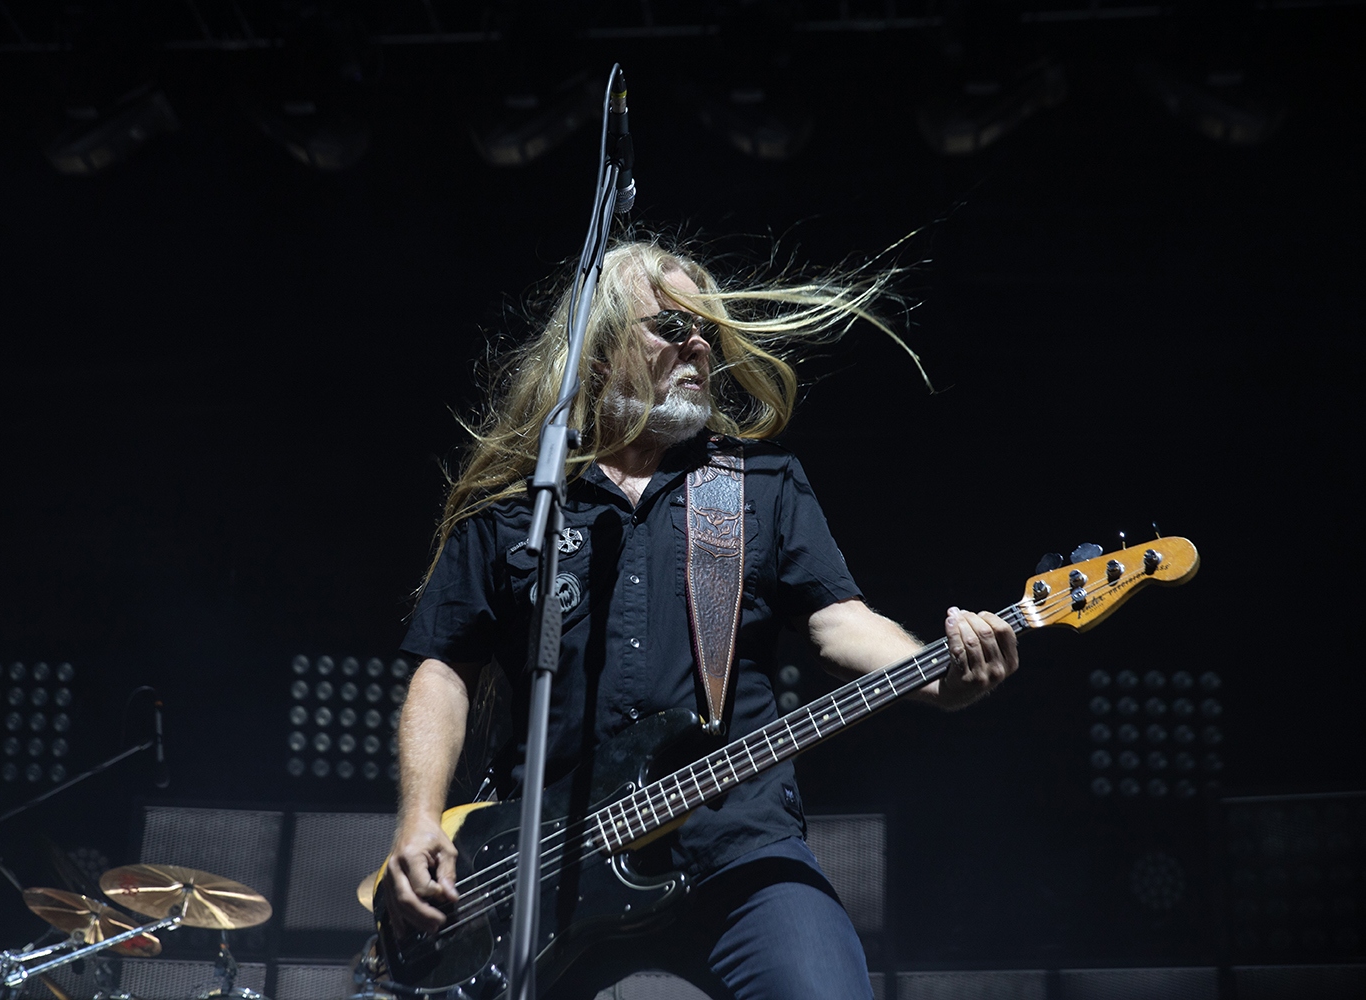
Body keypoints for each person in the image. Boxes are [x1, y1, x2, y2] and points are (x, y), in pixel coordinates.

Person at [381, 240, 1019, 999]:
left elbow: (839, 624)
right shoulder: (523, 512)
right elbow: (445, 670)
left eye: (707, 332)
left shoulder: (758, 483)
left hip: (737, 845)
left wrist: (934, 675)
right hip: (549, 863)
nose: (699, 346)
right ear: (598, 348)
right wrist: (419, 819)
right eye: (672, 327)